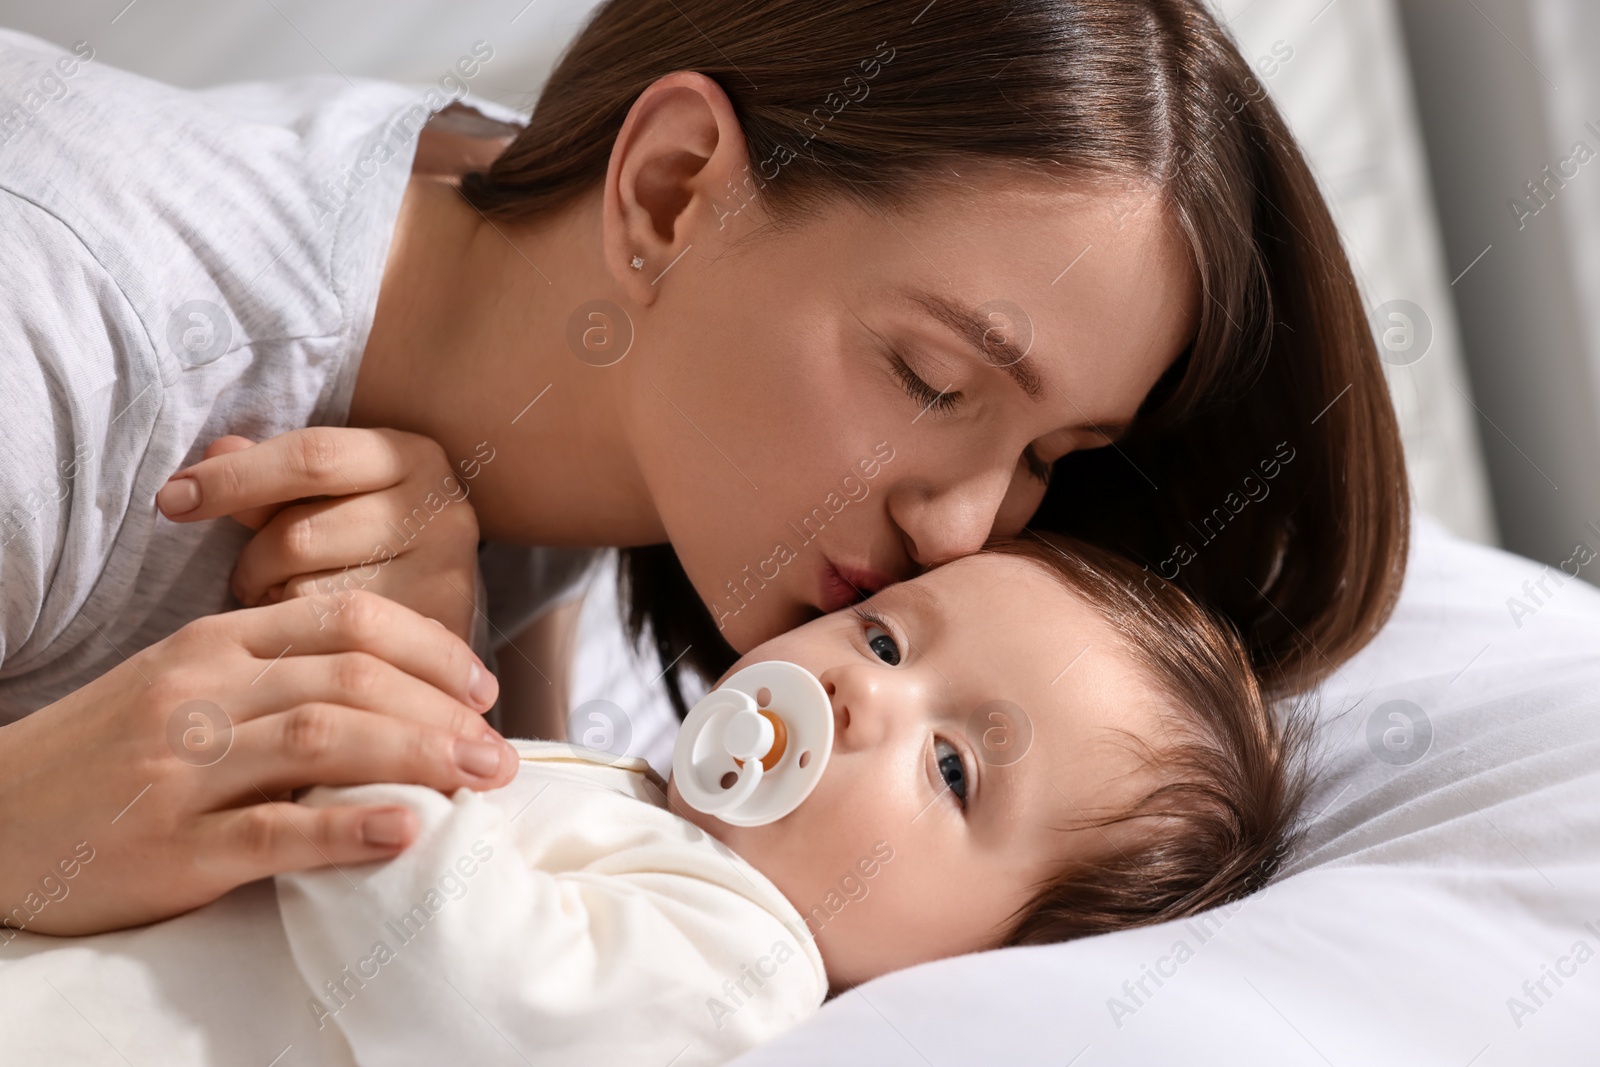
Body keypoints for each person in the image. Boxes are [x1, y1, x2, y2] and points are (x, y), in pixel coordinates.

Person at [0, 0, 1405, 936]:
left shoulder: (596, 444)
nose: (968, 526)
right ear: (671, 187)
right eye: (933, 381)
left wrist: (488, 657)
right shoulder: (76, 333)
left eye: (1050, 456)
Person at [0, 535, 1308, 1067]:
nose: (863, 697)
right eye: (890, 640)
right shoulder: (653, 816)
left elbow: (478, 995)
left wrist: (375, 744)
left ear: (998, 960)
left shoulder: (746, 973)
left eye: (955, 769)